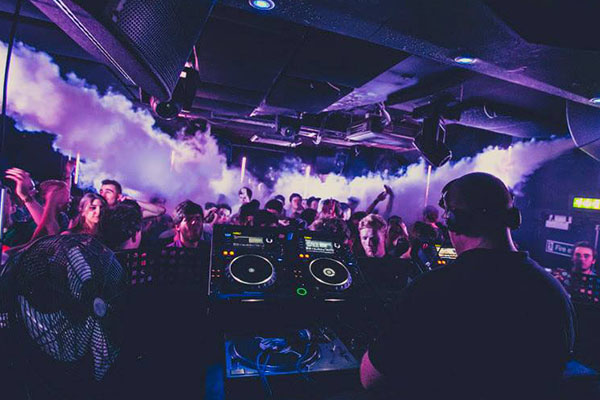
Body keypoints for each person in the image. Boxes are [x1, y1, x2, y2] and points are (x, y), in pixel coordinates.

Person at [360, 172, 575, 400]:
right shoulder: (553, 290)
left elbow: (371, 378)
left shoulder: (432, 289)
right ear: (513, 218)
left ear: (454, 222)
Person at [100, 178, 165, 218]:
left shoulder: (124, 215)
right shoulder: (96, 213)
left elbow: (160, 211)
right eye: (101, 191)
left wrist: (134, 201)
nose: (102, 194)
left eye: (108, 192)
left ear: (119, 196)